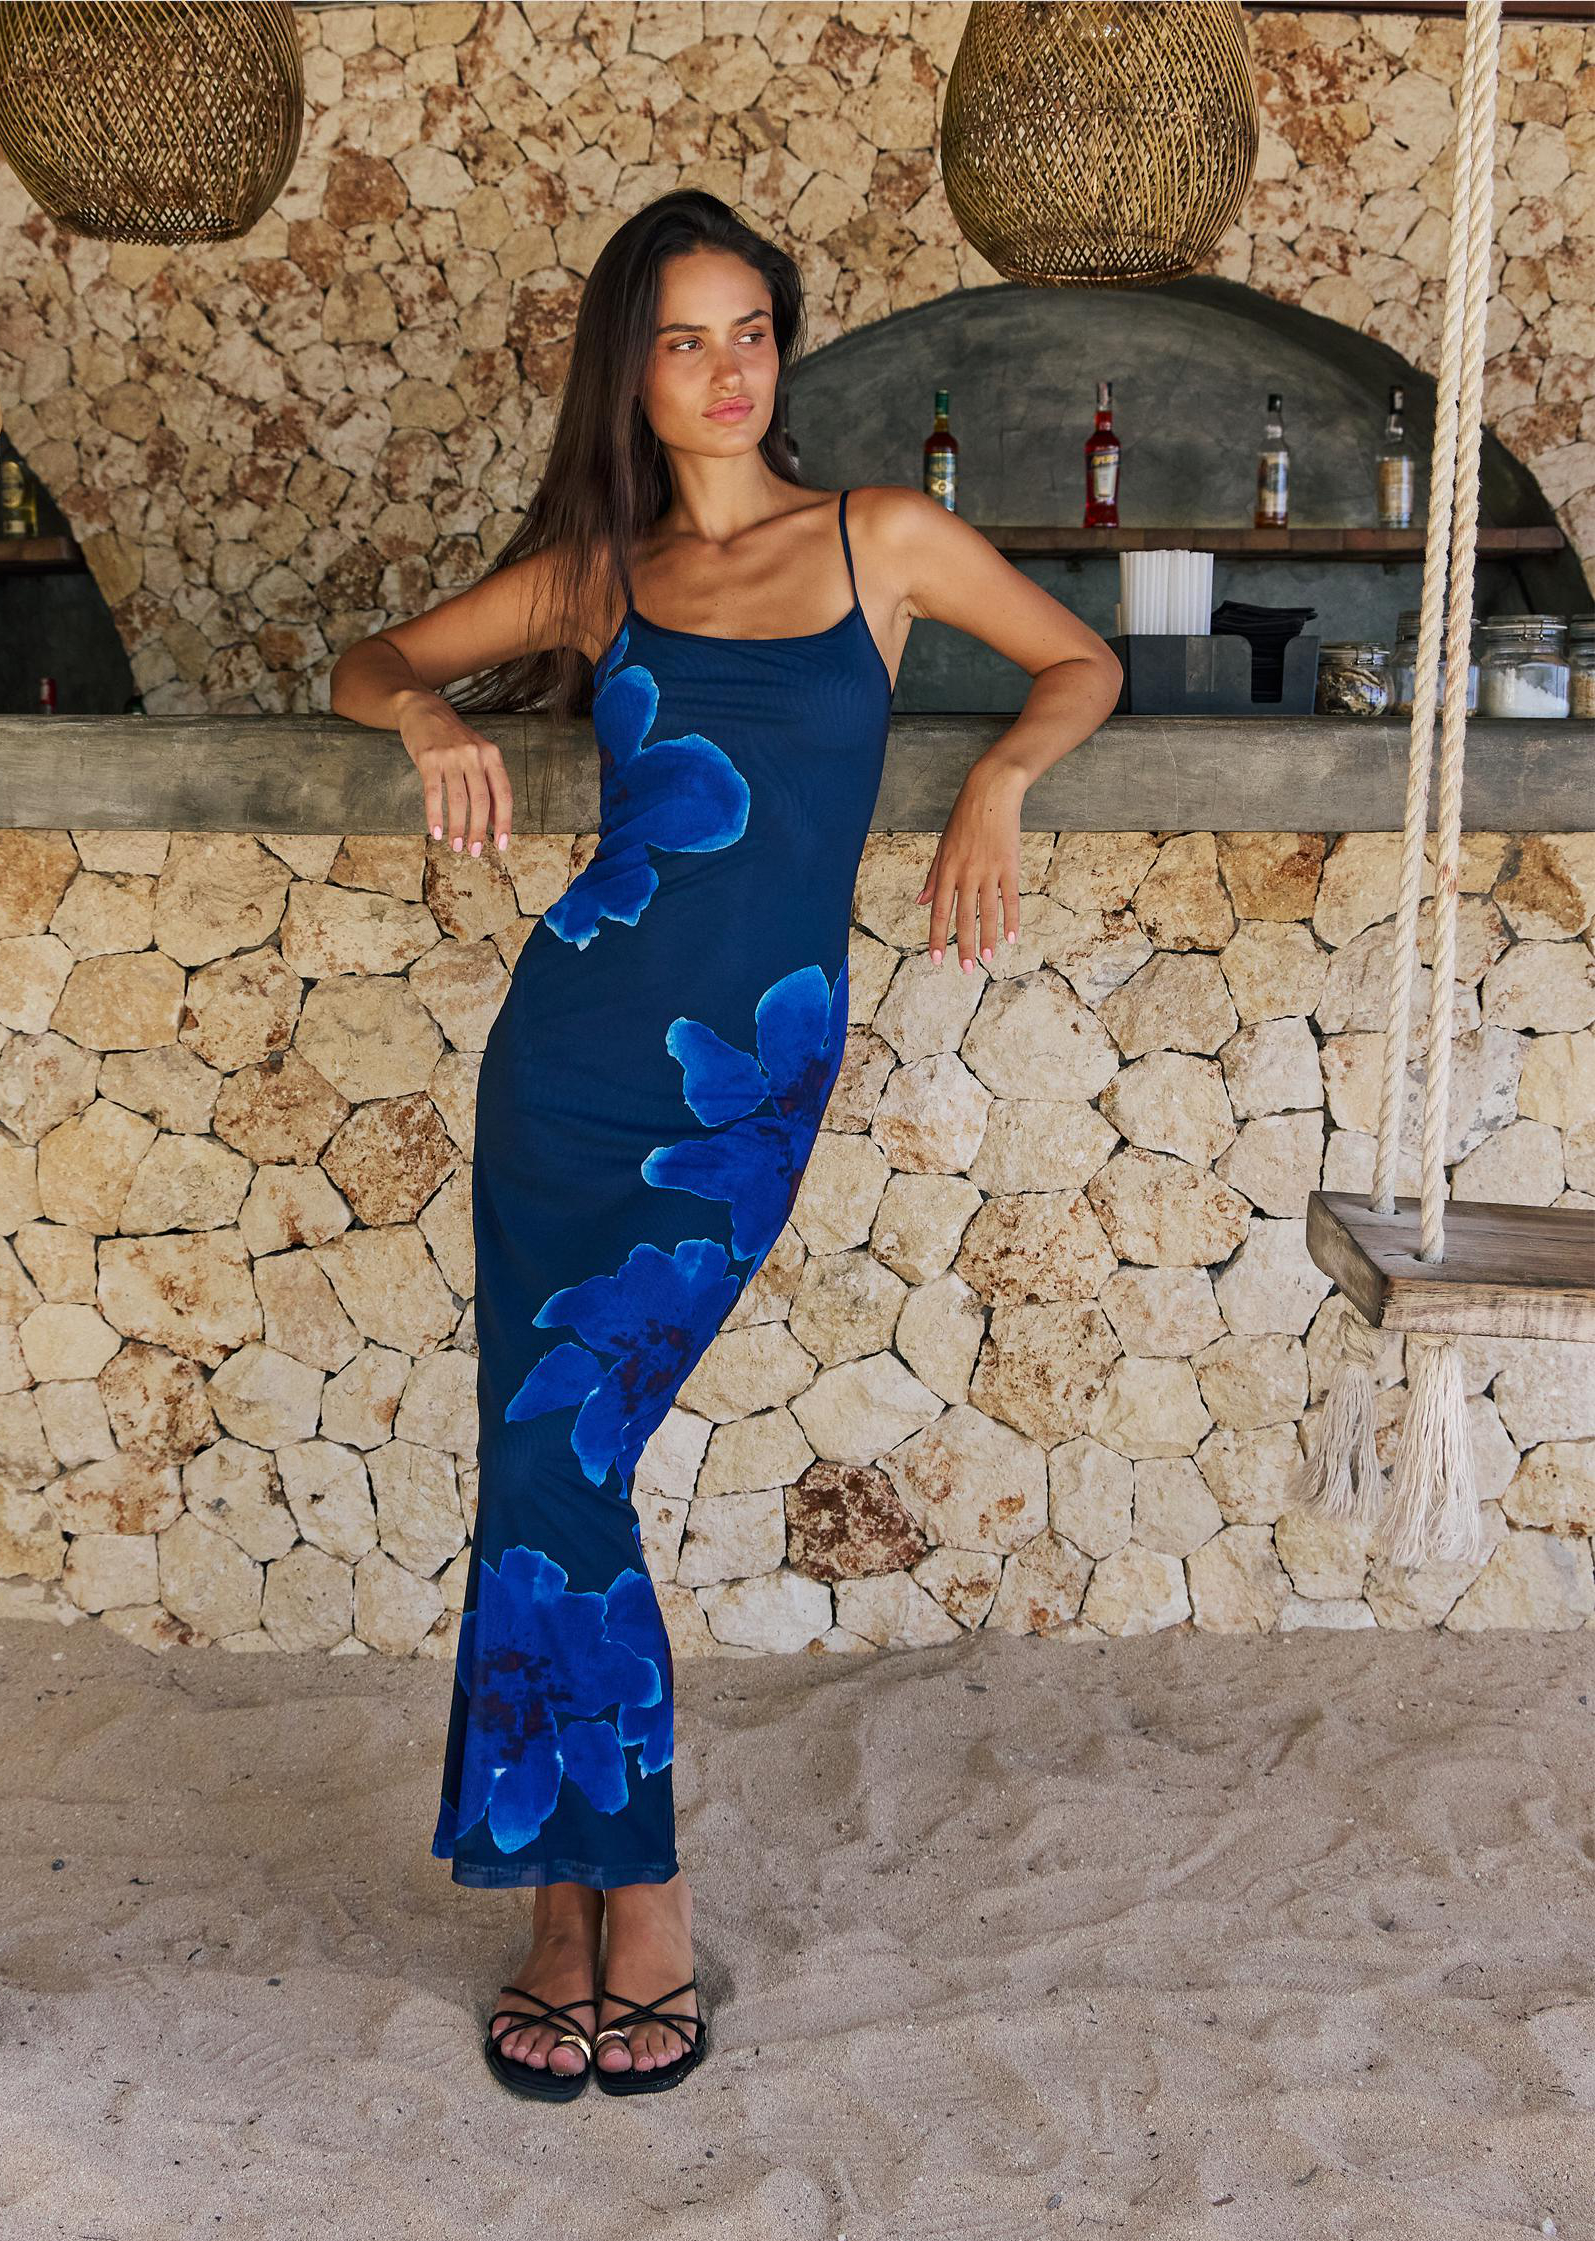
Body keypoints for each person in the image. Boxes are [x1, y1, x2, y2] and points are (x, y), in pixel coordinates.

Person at [330, 188, 1122, 2100]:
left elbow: (1082, 663)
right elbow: (368, 659)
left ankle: (605, 1886)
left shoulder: (879, 536)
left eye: (750, 331)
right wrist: (427, 719)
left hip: (742, 1081)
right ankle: (593, 1906)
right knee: (546, 1463)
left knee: (571, 1455)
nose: (725, 369)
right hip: (568, 1058)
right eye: (685, 340)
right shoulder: (597, 570)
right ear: (635, 368)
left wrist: (999, 780)